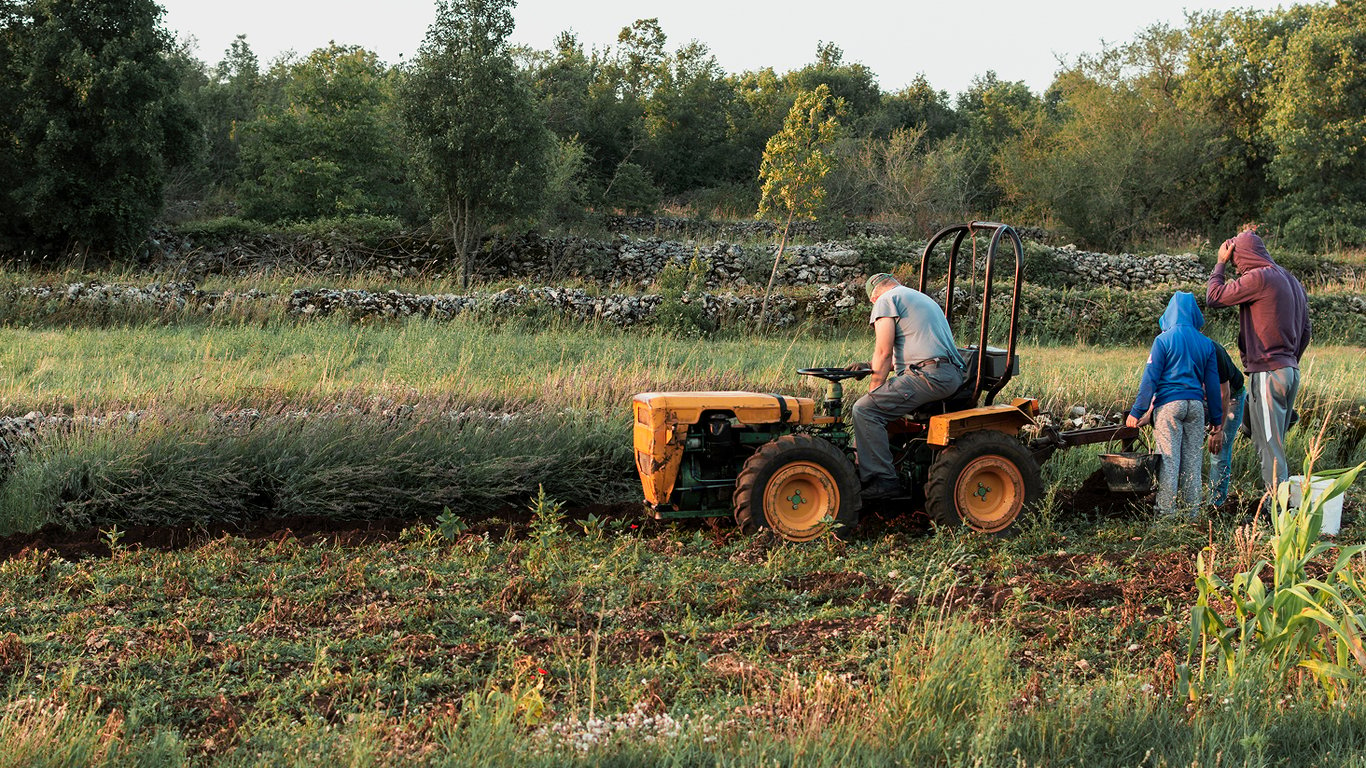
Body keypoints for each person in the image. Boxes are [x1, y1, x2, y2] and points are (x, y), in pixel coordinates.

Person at [1206, 229, 1310, 493]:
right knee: (1260, 430)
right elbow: (1306, 331)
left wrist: (1220, 263)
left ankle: (1278, 509)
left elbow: (1214, 298)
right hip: (1290, 370)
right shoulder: (1292, 281)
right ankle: (1260, 424)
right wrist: (1288, 361)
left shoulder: (1259, 277)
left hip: (1268, 371)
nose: (1236, 267)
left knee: (1269, 445)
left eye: (1235, 260)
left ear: (1243, 255)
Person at [849, 273, 966, 499]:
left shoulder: (885, 301)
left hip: (929, 375)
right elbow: (915, 351)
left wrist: (874, 391)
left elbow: (883, 352)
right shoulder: (918, 298)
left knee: (865, 410)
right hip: (946, 372)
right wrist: (868, 366)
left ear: (873, 298)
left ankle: (883, 481)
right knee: (878, 410)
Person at [1125, 292, 1223, 517]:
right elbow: (1213, 384)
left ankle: (1166, 515)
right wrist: (1216, 421)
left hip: (1170, 406)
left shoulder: (1163, 340)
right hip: (1196, 407)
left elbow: (1150, 378)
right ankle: (1191, 514)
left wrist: (1137, 411)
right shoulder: (1206, 344)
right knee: (1192, 462)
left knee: (1169, 461)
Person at [1207, 343, 1245, 508]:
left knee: (1218, 450)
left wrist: (1218, 430)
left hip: (1230, 399)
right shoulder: (1176, 347)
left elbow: (1224, 394)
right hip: (1201, 399)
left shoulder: (1214, 351)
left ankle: (1215, 505)